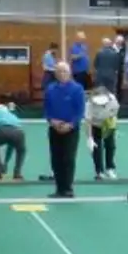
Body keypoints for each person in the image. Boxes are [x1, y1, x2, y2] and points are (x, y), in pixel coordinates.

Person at [43, 61, 86, 199]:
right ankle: (59, 188)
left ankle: (68, 189)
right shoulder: (50, 89)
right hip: (54, 128)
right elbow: (47, 109)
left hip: (71, 130)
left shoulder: (77, 89)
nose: (62, 74)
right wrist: (52, 121)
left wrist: (71, 124)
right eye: (59, 71)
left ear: (70, 73)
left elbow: (80, 111)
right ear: (55, 74)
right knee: (56, 159)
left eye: (65, 71)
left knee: (68, 158)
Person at [87, 83, 120, 181]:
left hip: (108, 123)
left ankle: (110, 168)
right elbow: (88, 122)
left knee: (110, 146)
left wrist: (110, 126)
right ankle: (99, 172)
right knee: (96, 148)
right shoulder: (89, 104)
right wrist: (89, 138)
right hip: (95, 125)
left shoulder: (113, 101)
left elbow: (114, 113)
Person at [92, 34, 123, 100]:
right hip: (111, 76)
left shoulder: (99, 53)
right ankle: (110, 108)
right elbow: (116, 67)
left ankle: (101, 109)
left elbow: (95, 65)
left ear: (103, 44)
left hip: (100, 76)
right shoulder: (115, 54)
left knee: (101, 94)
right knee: (111, 93)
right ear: (110, 44)